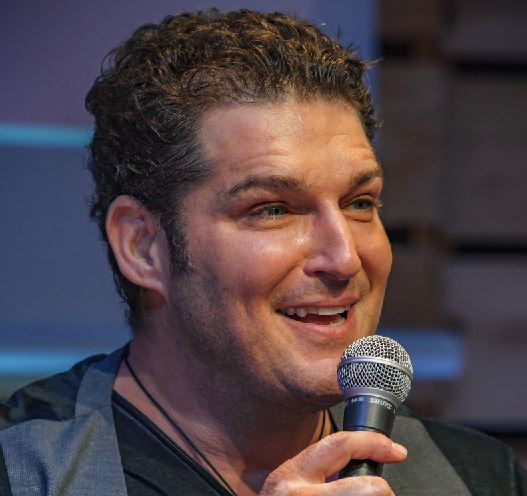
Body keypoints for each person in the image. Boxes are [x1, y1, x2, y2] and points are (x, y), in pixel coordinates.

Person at [0, 8, 525, 496]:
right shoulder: (24, 470)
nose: (344, 258)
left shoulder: (476, 477)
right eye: (273, 209)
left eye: (360, 203)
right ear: (142, 246)